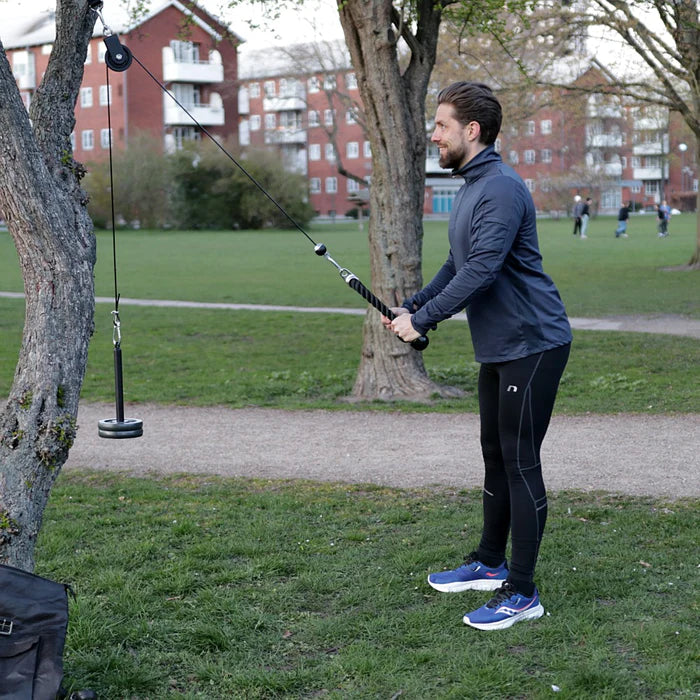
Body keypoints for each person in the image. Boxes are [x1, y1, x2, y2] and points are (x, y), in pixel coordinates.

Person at [384, 82, 572, 631]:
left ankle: (522, 591)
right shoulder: (472, 186)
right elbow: (456, 261)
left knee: (520, 460)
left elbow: (482, 271)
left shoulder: (503, 188)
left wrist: (422, 321)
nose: (433, 134)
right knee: (495, 452)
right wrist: (413, 304)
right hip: (500, 344)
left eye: (441, 125)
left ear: (472, 131)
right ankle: (490, 563)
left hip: (533, 342)